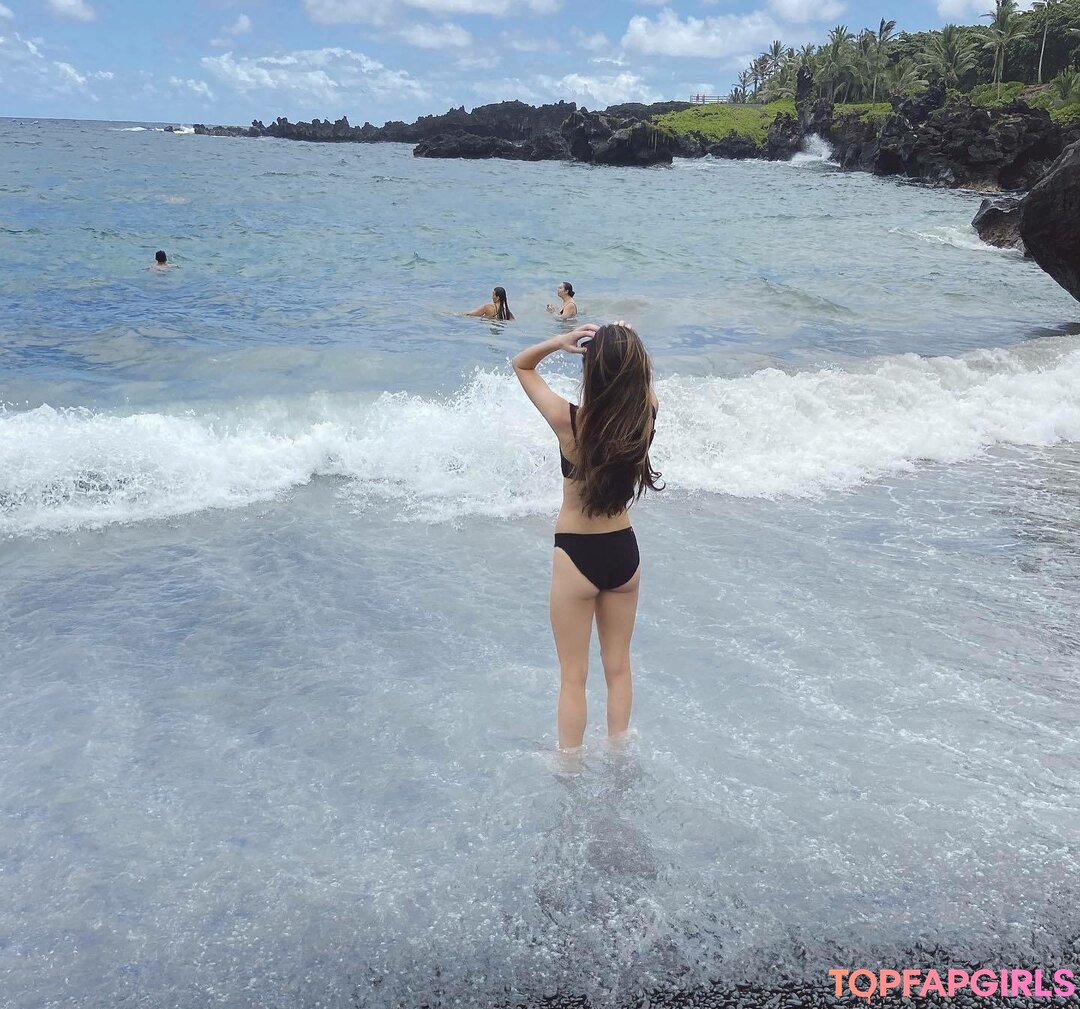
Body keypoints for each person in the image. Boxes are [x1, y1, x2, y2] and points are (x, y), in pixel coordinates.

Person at [511, 321, 661, 751]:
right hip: (624, 553)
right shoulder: (646, 415)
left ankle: (569, 766)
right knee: (619, 667)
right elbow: (641, 382)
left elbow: (522, 365)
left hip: (577, 554)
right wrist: (627, 342)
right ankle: (619, 753)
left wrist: (561, 341)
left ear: (591, 369)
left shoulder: (570, 421)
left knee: (573, 677)